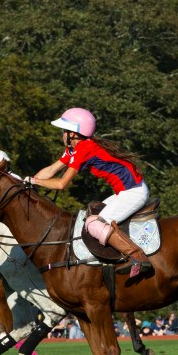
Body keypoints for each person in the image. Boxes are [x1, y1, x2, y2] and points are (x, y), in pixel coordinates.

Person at [28, 107, 152, 278]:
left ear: (72, 133)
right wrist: (27, 182)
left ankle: (137, 256)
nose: (62, 134)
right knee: (90, 216)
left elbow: (61, 184)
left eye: (64, 131)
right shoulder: (75, 149)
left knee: (94, 224)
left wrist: (35, 182)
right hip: (126, 192)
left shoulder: (84, 149)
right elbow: (51, 170)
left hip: (134, 193)